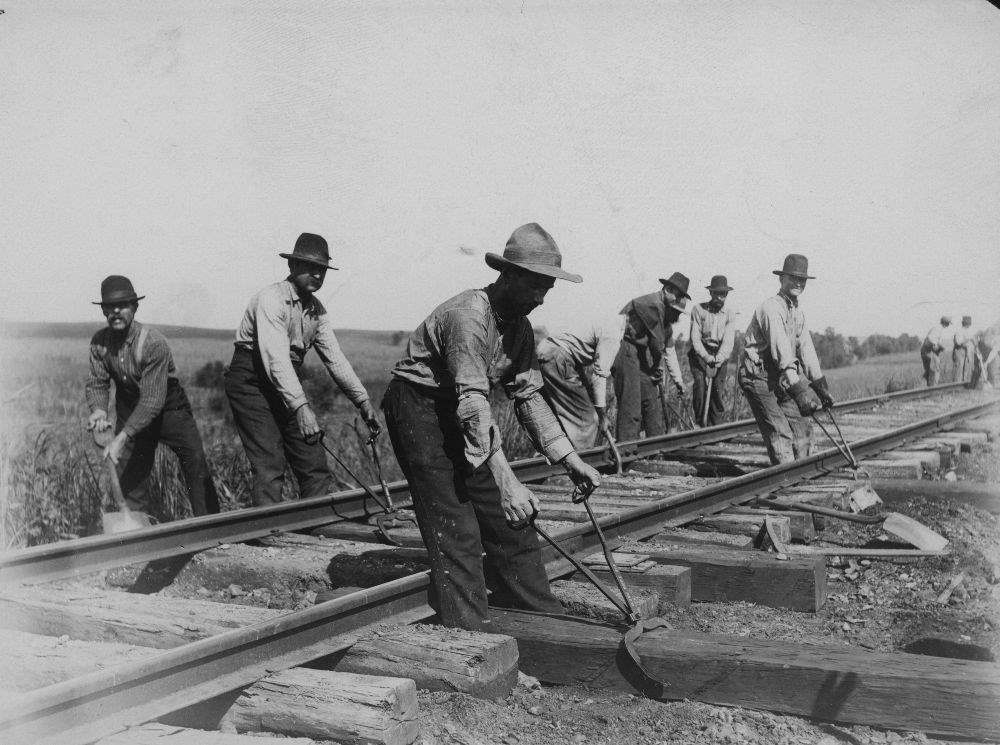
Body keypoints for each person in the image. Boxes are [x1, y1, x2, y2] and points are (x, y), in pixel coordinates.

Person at [382, 223, 601, 631]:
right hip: (420, 407)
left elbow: (530, 397)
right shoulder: (469, 317)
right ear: (509, 276)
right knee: (458, 526)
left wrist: (571, 460)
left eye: (547, 290)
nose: (541, 298)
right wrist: (507, 482)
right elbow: (473, 407)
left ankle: (543, 621)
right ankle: (472, 636)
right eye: (535, 287)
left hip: (465, 411)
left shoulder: (518, 328)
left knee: (514, 522)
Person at [224, 233, 380, 506]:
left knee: (313, 459)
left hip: (286, 380)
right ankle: (266, 534)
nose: (317, 275)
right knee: (270, 461)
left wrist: (363, 401)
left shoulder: (317, 311)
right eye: (310, 267)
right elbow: (275, 359)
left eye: (321, 270)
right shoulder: (271, 299)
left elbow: (335, 359)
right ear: (292, 266)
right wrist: (301, 407)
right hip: (251, 379)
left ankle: (314, 527)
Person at [85, 275, 220, 519]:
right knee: (132, 469)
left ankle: (210, 524)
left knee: (194, 461)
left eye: (123, 305)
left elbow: (151, 400)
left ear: (134, 308)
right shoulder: (99, 343)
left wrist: (122, 436)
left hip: (168, 407)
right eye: (110, 307)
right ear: (103, 310)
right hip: (129, 405)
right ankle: (137, 529)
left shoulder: (153, 343)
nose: (116, 312)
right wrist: (99, 410)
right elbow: (97, 382)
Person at [737, 254, 830, 465]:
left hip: (780, 377)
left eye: (802, 279)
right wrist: (800, 395)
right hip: (757, 376)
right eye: (793, 278)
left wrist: (822, 389)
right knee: (781, 433)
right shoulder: (771, 308)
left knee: (803, 428)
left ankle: (803, 474)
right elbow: (783, 355)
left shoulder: (797, 311)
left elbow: (807, 352)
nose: (798, 283)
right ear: (781, 279)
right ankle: (785, 479)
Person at [613, 272, 689, 441]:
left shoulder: (666, 317)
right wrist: (657, 367)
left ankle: (656, 446)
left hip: (637, 354)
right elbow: (657, 344)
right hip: (623, 347)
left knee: (651, 401)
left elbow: (669, 351)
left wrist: (678, 381)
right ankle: (627, 451)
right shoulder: (652, 305)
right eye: (676, 300)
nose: (676, 316)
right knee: (631, 406)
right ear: (667, 290)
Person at [536, 313, 625, 449]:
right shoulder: (613, 334)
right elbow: (599, 376)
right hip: (558, 355)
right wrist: (602, 417)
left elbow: (574, 351)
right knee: (588, 419)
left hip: (550, 351)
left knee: (560, 415)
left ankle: (557, 454)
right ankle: (586, 463)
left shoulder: (607, 320)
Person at [688, 275, 737, 427]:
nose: (720, 297)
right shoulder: (698, 309)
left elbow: (728, 342)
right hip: (700, 352)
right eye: (716, 293)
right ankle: (699, 424)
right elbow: (695, 339)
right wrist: (706, 357)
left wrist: (719, 358)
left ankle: (715, 427)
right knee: (700, 386)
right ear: (711, 293)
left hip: (720, 353)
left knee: (717, 390)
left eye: (723, 294)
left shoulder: (729, 314)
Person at [920, 315, 952, 386]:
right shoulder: (938, 329)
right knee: (934, 370)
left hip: (927, 351)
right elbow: (930, 339)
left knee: (929, 371)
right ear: (946, 323)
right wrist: (939, 346)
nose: (948, 325)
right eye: (948, 323)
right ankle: (933, 386)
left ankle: (927, 385)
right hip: (930, 352)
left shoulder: (937, 328)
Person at [952, 315, 976, 383]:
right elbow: (958, 342)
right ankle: (956, 386)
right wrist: (968, 339)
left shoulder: (968, 331)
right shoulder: (959, 331)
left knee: (966, 369)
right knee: (959, 369)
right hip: (959, 350)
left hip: (967, 351)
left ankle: (963, 385)